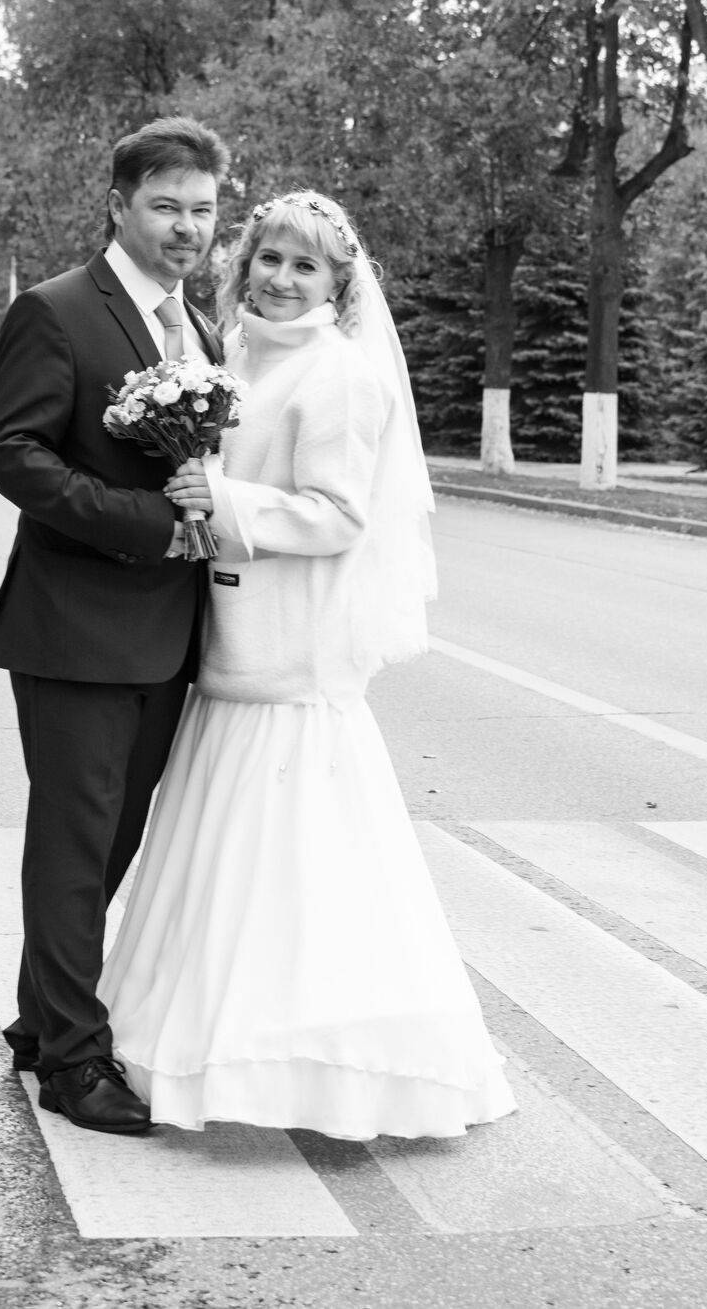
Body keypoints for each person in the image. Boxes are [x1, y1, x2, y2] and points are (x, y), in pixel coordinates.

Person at [98, 190, 517, 1140]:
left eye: (304, 266)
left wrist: (221, 499)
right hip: (227, 659)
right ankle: (186, 1037)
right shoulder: (230, 359)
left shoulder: (339, 377)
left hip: (290, 668)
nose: (281, 280)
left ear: (338, 283)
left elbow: (337, 517)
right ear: (243, 263)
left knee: (298, 880)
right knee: (218, 879)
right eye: (269, 259)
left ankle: (308, 1070)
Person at [0, 116, 230, 1135]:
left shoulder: (197, 328)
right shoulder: (56, 310)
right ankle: (74, 1066)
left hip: (169, 636)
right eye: (166, 207)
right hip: (75, 627)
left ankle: (42, 1020)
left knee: (111, 844)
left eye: (202, 210)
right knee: (74, 847)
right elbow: (13, 453)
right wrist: (145, 524)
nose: (186, 228)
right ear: (119, 206)